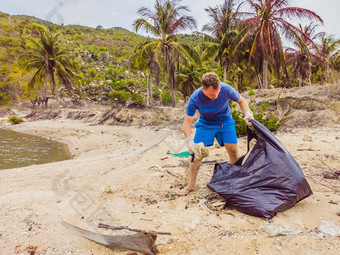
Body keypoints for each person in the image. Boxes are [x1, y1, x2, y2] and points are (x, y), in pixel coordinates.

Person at [179, 72, 254, 196]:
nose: (215, 96)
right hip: (205, 123)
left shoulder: (226, 89)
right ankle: (191, 185)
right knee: (195, 154)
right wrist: (189, 143)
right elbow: (187, 123)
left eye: (217, 93)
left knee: (233, 150)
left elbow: (242, 101)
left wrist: (247, 113)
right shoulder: (195, 98)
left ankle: (233, 180)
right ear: (203, 89)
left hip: (225, 121)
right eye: (211, 94)